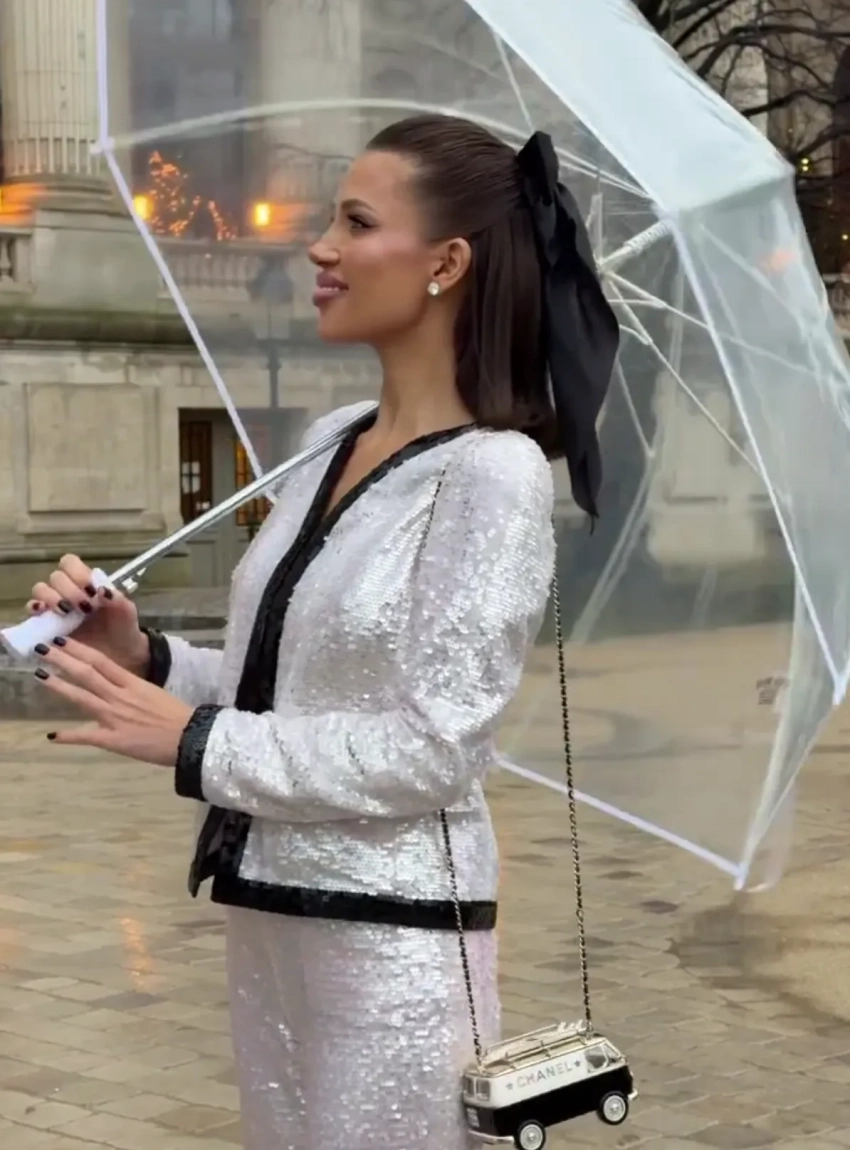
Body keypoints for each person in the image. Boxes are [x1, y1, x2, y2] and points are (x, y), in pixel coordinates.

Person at [26, 115, 618, 1149]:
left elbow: (435, 747)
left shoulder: (493, 473)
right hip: (267, 909)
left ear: (446, 263)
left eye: (356, 222)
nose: (319, 247)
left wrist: (196, 741)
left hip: (391, 935)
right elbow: (292, 682)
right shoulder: (326, 440)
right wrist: (145, 656)